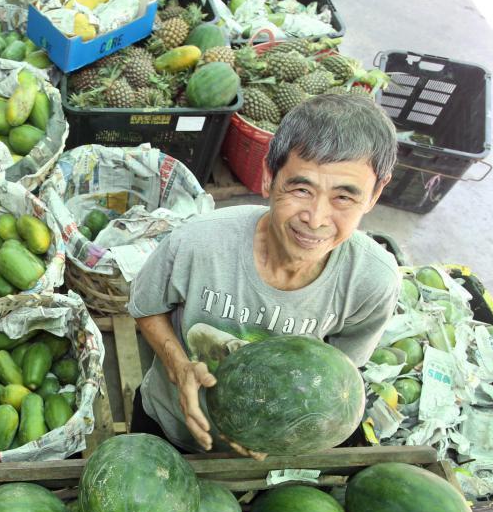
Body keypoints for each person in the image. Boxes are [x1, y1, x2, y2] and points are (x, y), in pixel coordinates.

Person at [127, 94, 401, 457]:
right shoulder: (197, 243)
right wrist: (178, 368)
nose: (316, 218)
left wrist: (287, 439)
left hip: (264, 452)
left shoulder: (372, 281)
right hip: (171, 423)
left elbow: (340, 377)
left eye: (344, 198)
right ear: (269, 177)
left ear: (374, 195)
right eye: (301, 189)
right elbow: (146, 307)